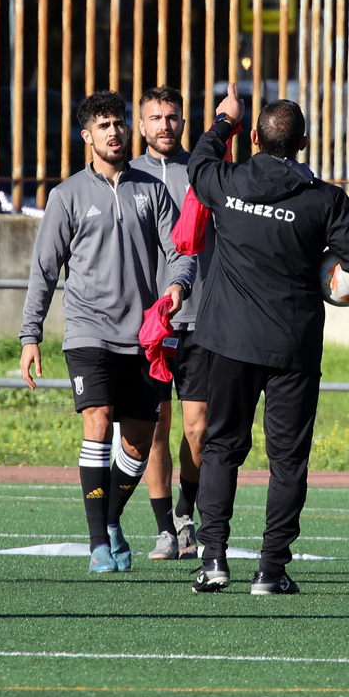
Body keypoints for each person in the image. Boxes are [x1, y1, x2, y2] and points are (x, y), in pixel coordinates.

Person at [188, 86, 349, 595]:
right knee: (287, 462)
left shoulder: (227, 180)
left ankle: (213, 559)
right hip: (292, 348)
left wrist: (222, 121)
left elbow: (198, 162)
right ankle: (271, 570)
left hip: (229, 341)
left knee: (221, 449)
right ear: (303, 142)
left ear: (254, 137)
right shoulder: (324, 199)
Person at [17, 90, 196, 574]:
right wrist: (29, 335)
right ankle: (99, 543)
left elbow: (181, 249)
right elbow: (45, 270)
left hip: (143, 336)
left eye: (118, 124)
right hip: (88, 332)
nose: (113, 132)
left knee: (138, 443)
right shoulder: (67, 195)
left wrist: (178, 284)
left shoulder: (150, 190)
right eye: (103, 126)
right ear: (86, 136)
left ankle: (110, 520)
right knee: (97, 420)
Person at [127, 86, 210, 561]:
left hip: (200, 320)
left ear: (184, 122)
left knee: (198, 428)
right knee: (155, 424)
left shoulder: (203, 172)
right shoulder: (129, 175)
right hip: (148, 325)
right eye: (155, 117)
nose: (164, 125)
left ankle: (185, 512)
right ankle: (164, 528)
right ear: (141, 125)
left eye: (172, 116)